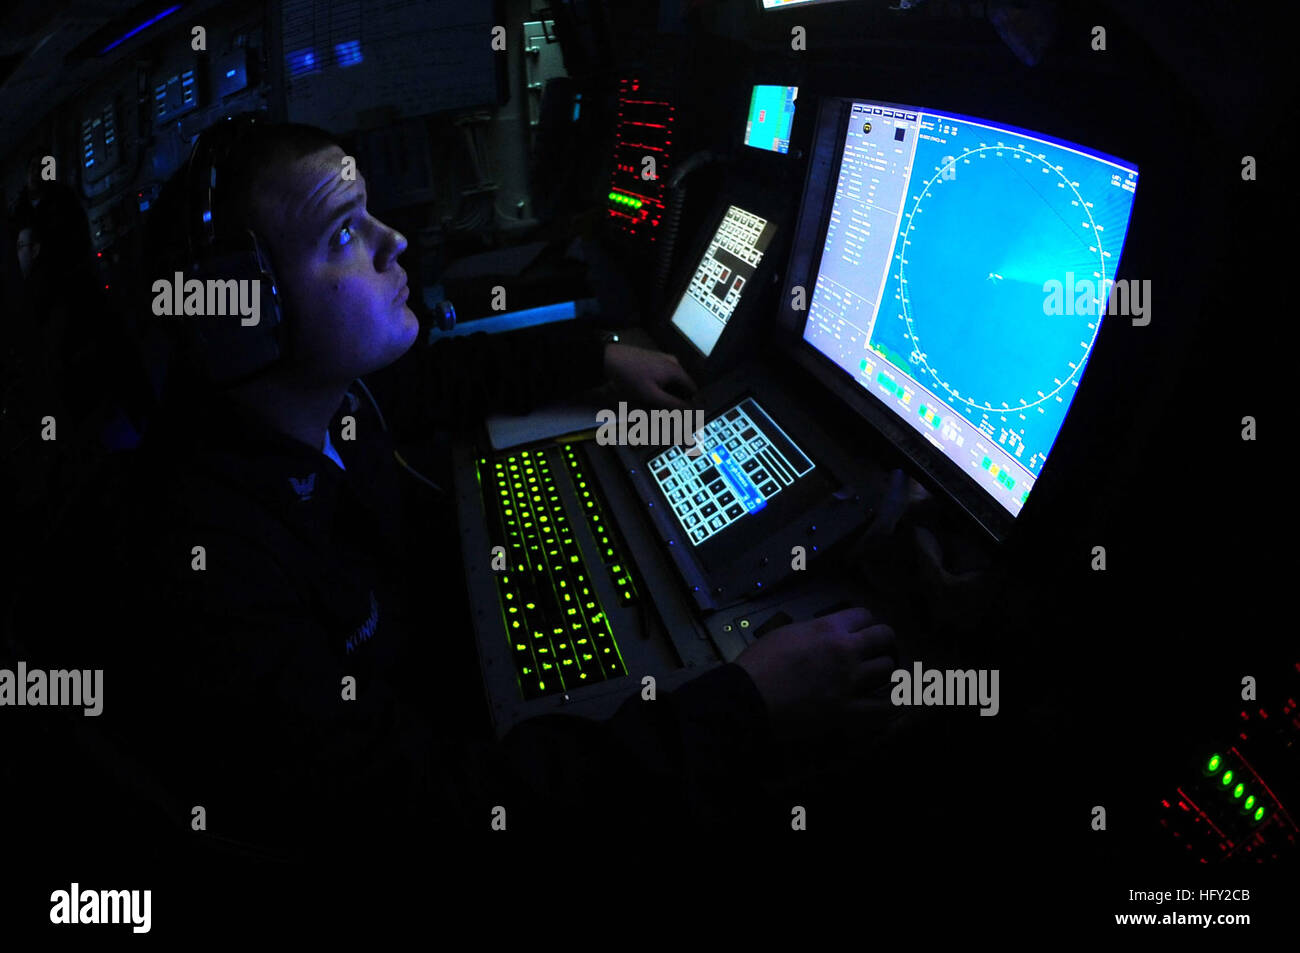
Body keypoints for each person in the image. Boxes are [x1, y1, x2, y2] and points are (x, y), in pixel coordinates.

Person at [9, 118, 896, 866]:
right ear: (252, 320)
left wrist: (595, 357)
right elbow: (431, 818)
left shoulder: (317, 399)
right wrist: (741, 704)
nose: (394, 241)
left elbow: (442, 378)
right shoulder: (210, 570)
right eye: (343, 233)